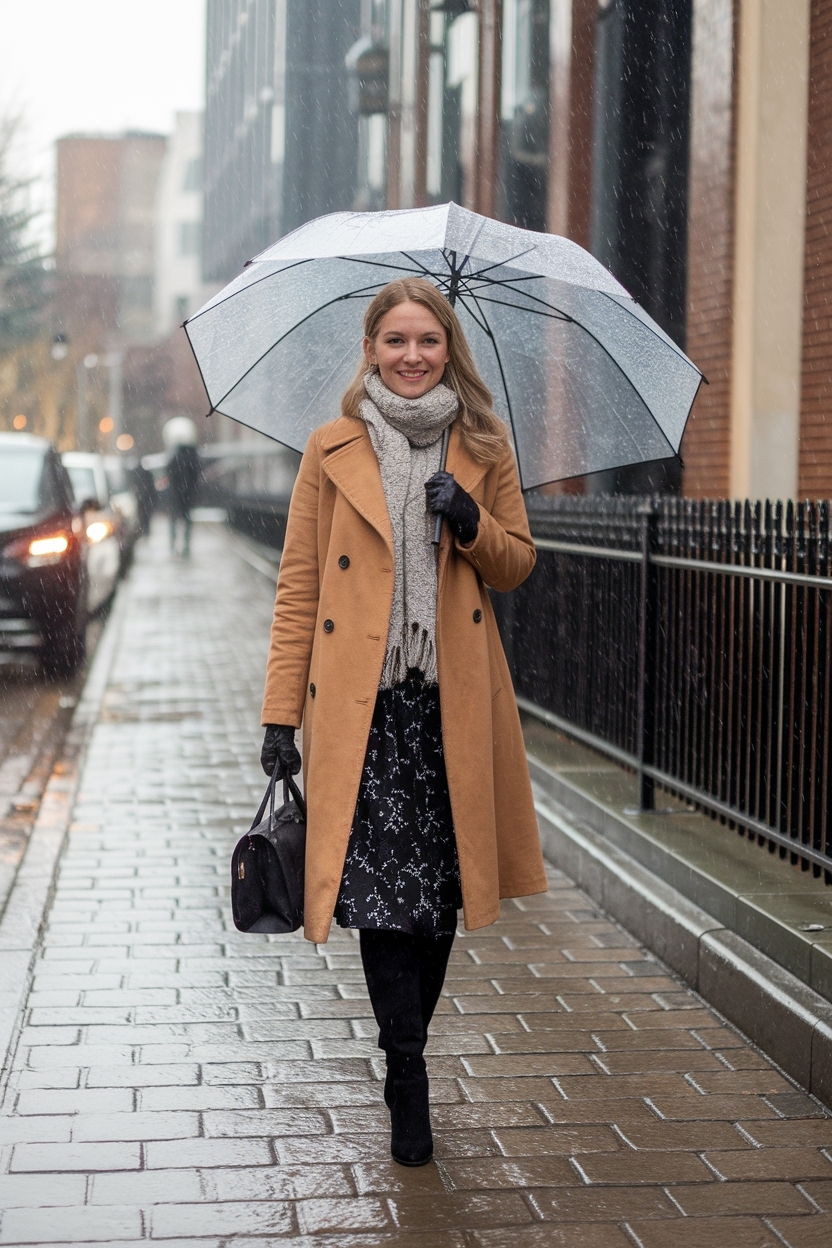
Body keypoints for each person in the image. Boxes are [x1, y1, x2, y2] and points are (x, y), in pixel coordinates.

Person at [259, 277, 547, 1167]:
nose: (413, 356)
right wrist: (278, 716)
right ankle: (408, 1073)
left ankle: (404, 1051)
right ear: (371, 351)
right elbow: (301, 585)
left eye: (428, 341)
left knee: (440, 902)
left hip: (449, 706)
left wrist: (468, 519)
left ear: (447, 349)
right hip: (363, 709)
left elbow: (517, 567)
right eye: (396, 342)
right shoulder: (331, 448)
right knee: (383, 904)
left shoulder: (484, 448)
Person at [167, 442, 201, 555]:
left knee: (174, 519)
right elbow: (196, 476)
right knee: (186, 520)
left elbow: (169, 473)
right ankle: (186, 545)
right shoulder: (192, 458)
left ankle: (173, 544)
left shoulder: (175, 457)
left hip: (176, 495)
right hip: (187, 496)